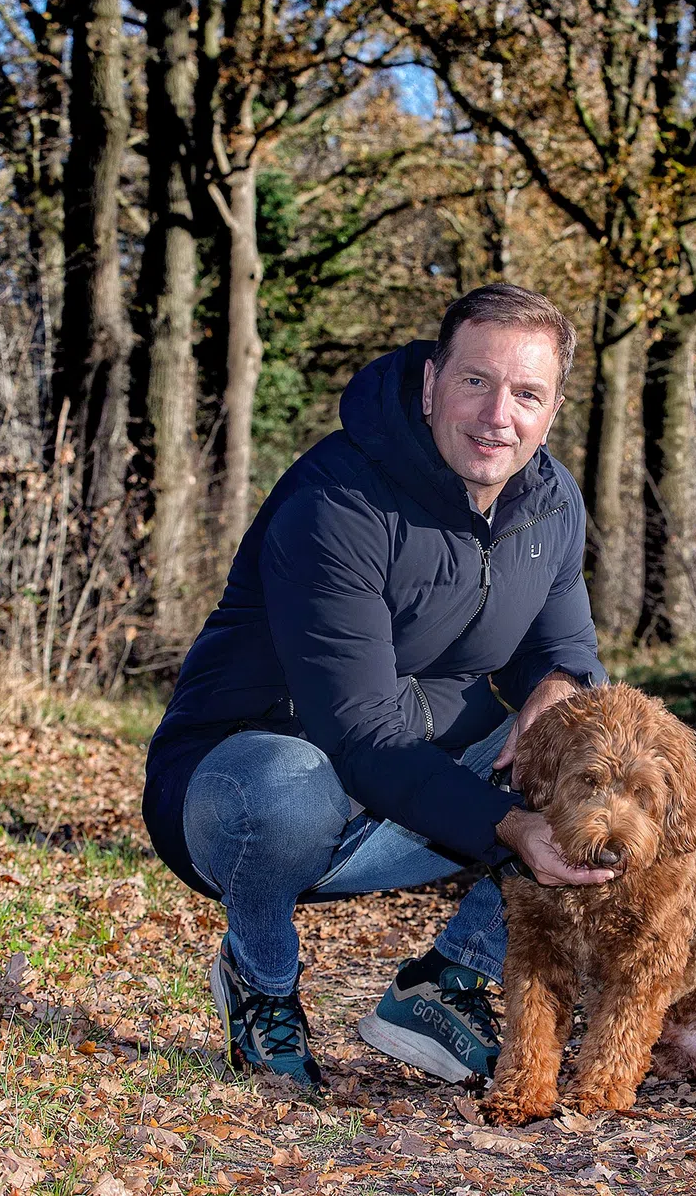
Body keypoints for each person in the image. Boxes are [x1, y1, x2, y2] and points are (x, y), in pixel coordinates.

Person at [143, 284, 614, 1089]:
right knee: (283, 790)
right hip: (249, 778)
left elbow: (561, 642)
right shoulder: (336, 500)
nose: (498, 415)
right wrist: (509, 825)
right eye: (476, 381)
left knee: (613, 779)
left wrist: (561, 686)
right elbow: (359, 731)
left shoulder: (550, 502)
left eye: (526, 394)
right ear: (432, 384)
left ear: (554, 407)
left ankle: (446, 984)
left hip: (411, 781)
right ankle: (260, 982)